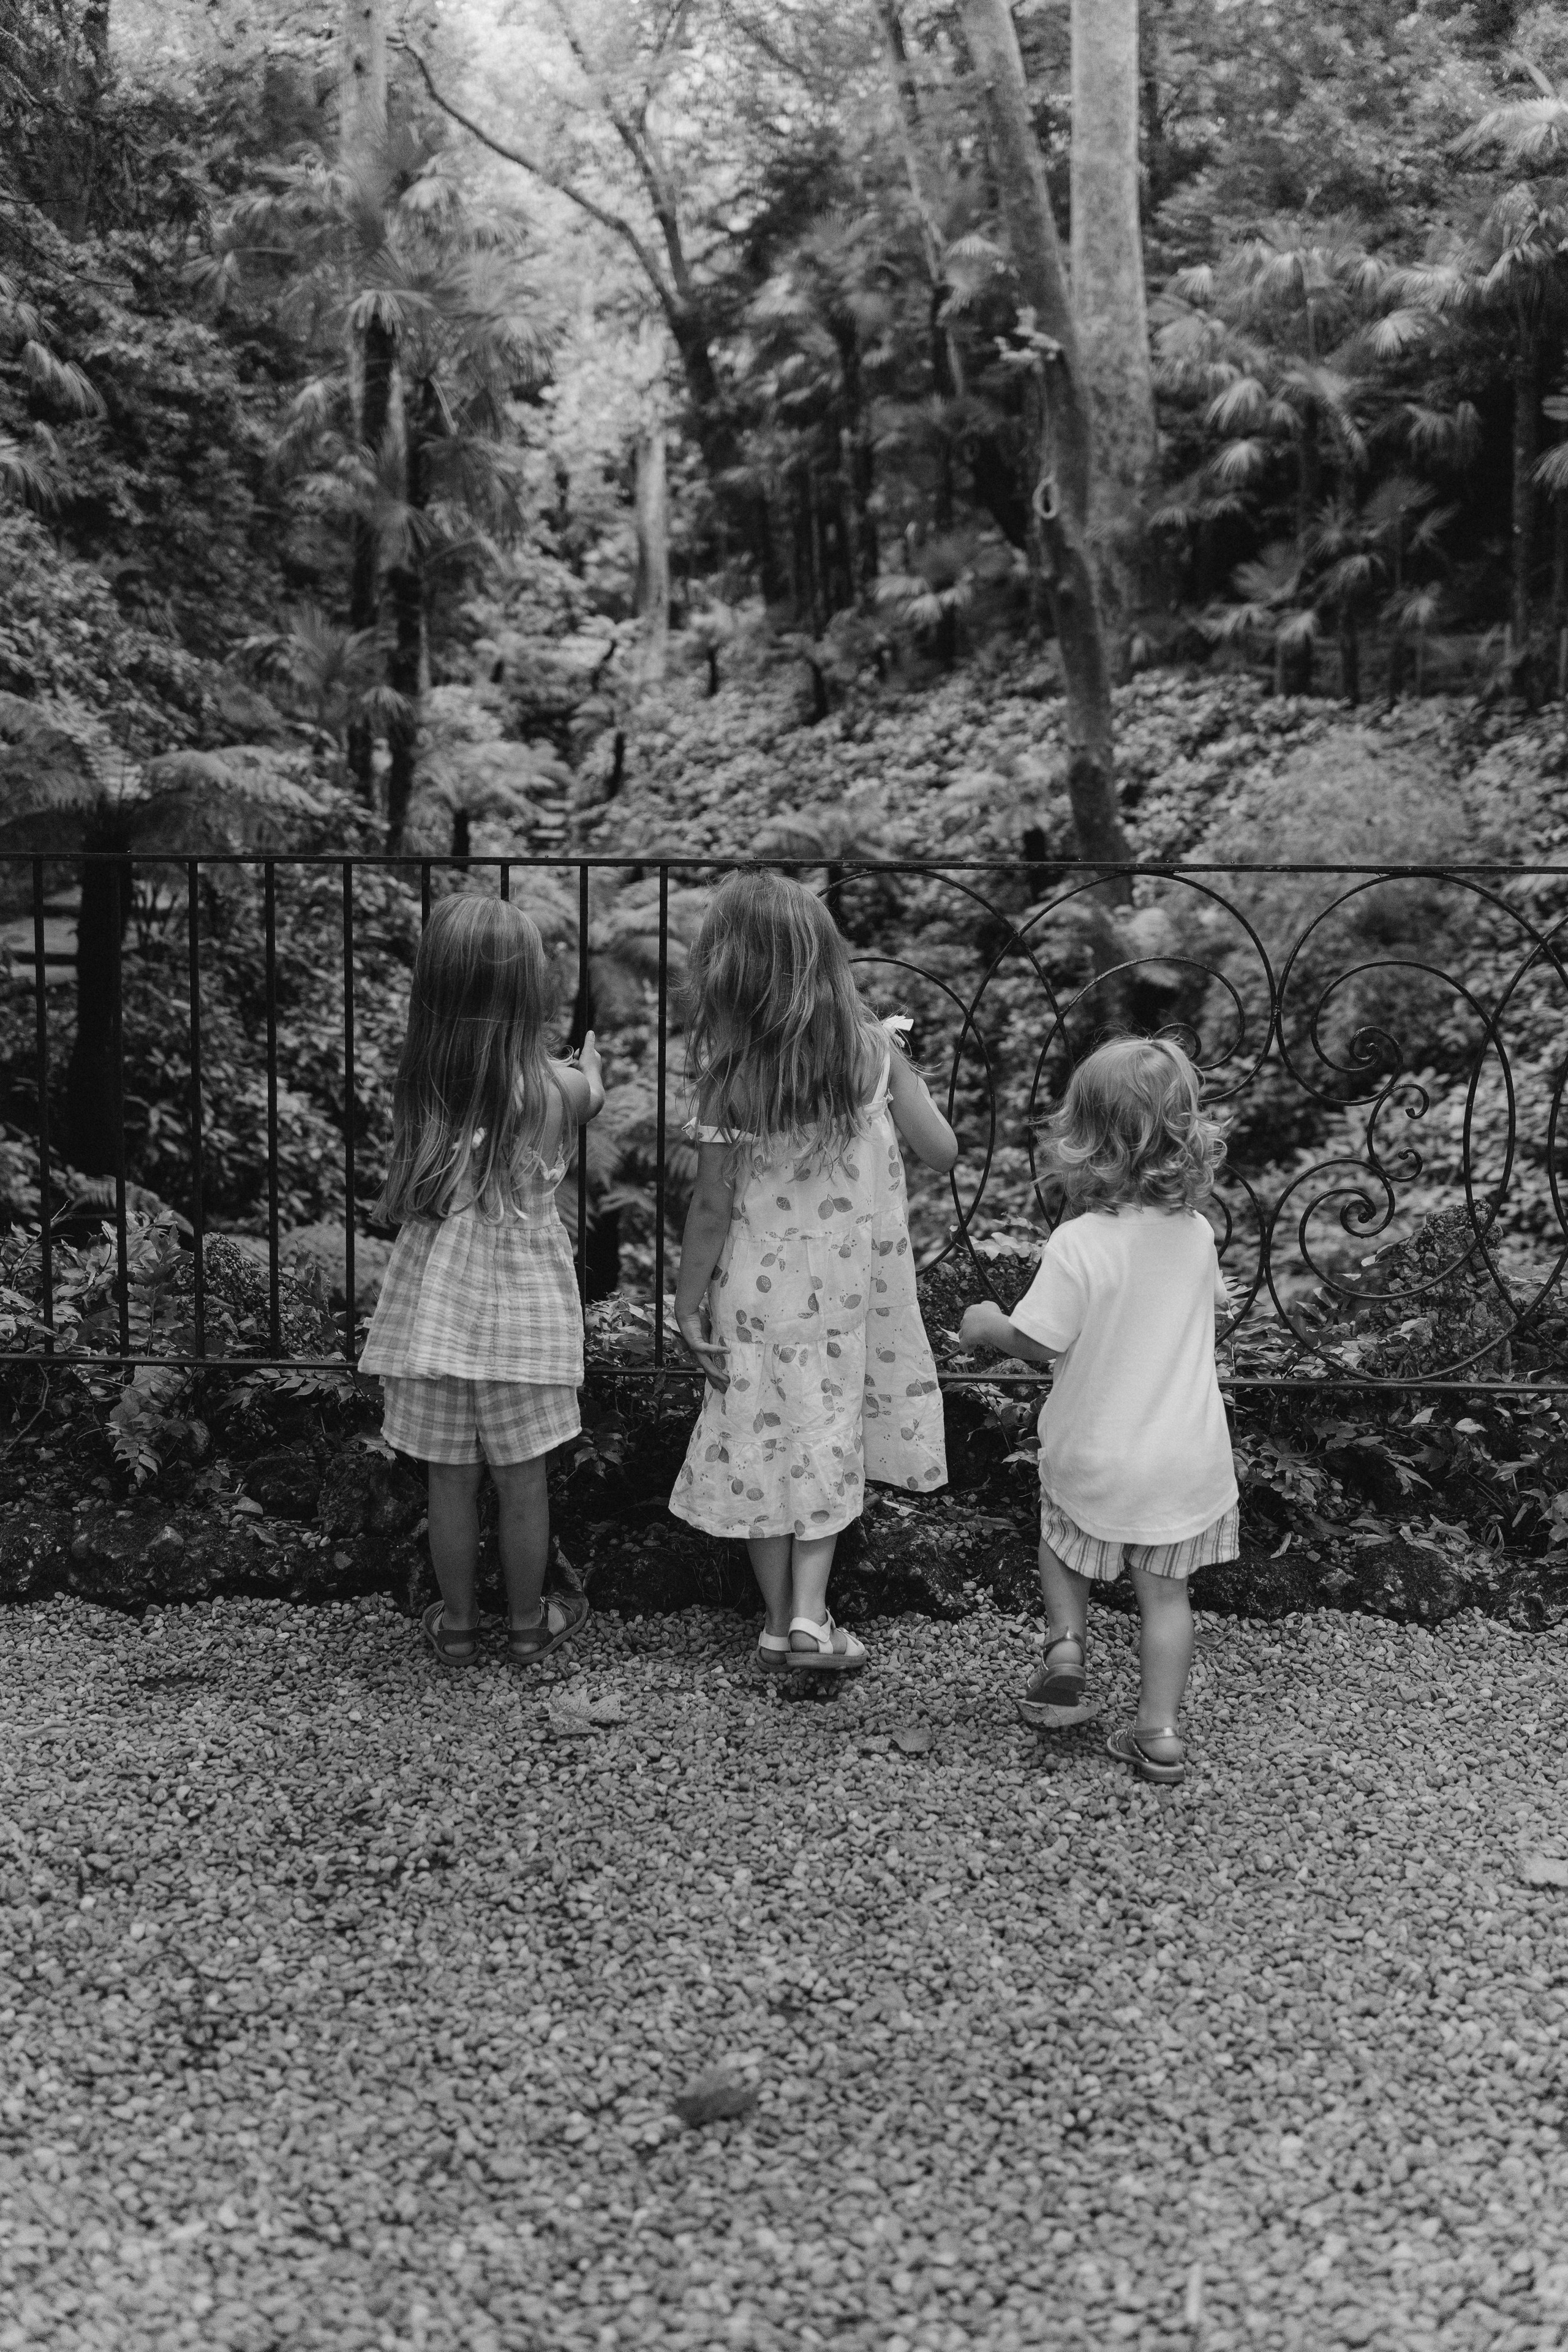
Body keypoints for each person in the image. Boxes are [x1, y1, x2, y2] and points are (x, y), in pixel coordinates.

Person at [669, 869, 957, 1675]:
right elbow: (942, 1151)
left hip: (755, 1298)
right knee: (827, 1437)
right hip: (846, 1297)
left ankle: (777, 1621)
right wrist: (901, 1072)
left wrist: (687, 1304)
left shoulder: (728, 1080)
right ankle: (809, 1616)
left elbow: (710, 1208)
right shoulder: (869, 1054)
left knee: (763, 1440)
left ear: (727, 974)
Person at [958, 1036, 1236, 1785]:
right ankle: (1159, 1735)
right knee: (1167, 1596)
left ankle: (1066, 1646)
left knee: (1062, 1536)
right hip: (1185, 1459)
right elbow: (1206, 1297)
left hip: (1095, 1451)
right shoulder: (1196, 1233)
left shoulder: (1078, 1243)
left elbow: (1038, 1342)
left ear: (1083, 1139)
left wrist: (985, 1323)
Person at [361, 893, 605, 1669]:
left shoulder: (424, 1089)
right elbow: (591, 1098)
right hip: (524, 1319)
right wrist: (589, 1068)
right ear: (528, 992)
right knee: (524, 1481)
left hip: (436, 1318)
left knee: (450, 1480)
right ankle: (529, 1624)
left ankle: (460, 1626)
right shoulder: (553, 1091)